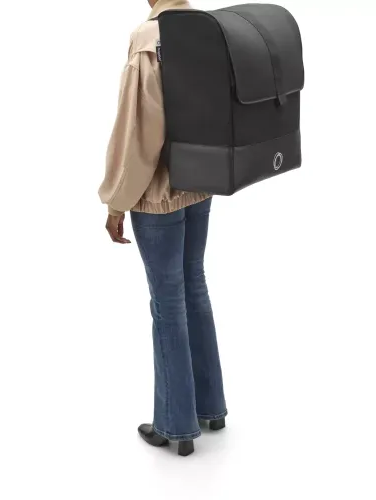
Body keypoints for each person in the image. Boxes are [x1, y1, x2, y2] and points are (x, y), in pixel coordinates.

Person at [98, 0, 227, 457]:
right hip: (202, 182)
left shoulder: (147, 39)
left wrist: (116, 202)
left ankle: (176, 425)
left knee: (168, 301)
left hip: (157, 193)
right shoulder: (208, 28)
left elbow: (138, 134)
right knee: (195, 286)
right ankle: (211, 408)